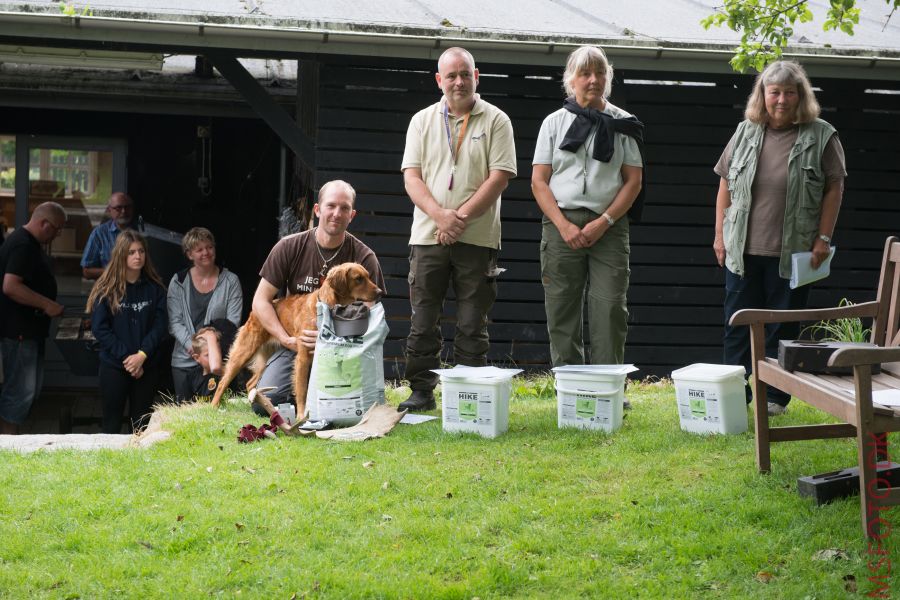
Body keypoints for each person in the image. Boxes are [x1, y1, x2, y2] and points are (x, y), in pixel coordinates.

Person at [713, 60, 846, 416]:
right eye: (775, 92)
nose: (782, 100)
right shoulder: (745, 131)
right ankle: (735, 398)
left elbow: (835, 187)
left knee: (783, 327)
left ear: (800, 96)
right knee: (737, 324)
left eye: (790, 93)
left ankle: (775, 399)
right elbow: (725, 181)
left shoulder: (822, 135)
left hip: (795, 250)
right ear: (763, 95)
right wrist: (719, 236)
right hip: (743, 247)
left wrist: (823, 236)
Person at [399, 47, 517, 412]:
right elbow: (412, 177)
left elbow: (500, 177)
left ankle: (468, 393)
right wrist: (441, 217)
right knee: (422, 320)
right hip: (427, 236)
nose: (458, 82)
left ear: (476, 76)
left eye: (465, 74)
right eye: (451, 75)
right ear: (439, 80)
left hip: (478, 238)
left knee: (471, 321)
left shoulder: (497, 120)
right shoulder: (421, 120)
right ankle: (421, 392)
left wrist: (458, 218)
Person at [531, 45, 644, 369]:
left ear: (608, 77)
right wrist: (563, 225)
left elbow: (633, 181)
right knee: (561, 307)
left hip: (608, 226)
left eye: (600, 73)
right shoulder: (553, 123)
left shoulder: (624, 124)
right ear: (571, 79)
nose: (593, 79)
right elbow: (539, 181)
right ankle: (571, 387)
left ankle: (608, 387)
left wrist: (604, 221)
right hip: (560, 225)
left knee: (609, 308)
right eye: (585, 73)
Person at [250, 179, 385, 412]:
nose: (336, 213)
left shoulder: (364, 257)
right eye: (330, 206)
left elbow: (371, 317)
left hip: (343, 351)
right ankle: (305, 395)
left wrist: (332, 338)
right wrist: (286, 339)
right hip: (297, 345)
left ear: (352, 215)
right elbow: (260, 301)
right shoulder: (289, 247)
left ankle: (318, 395)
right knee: (266, 406)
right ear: (317, 209)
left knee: (344, 405)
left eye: (344, 208)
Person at [87, 230, 168, 433]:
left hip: (146, 365)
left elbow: (160, 326)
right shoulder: (106, 288)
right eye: (131, 252)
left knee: (141, 424)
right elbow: (100, 328)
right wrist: (128, 358)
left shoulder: (155, 288)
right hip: (114, 366)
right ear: (121, 255)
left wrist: (141, 355)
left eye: (141, 251)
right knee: (111, 422)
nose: (137, 256)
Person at [0, 202, 67, 434]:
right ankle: (7, 447)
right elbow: (10, 286)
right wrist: (46, 304)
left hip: (30, 332)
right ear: (44, 224)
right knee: (19, 393)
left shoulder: (29, 243)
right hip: (20, 333)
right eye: (57, 229)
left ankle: (14, 442)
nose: (58, 234)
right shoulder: (22, 245)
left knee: (28, 392)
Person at [167, 227, 242, 402]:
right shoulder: (178, 281)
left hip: (217, 361)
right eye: (199, 249)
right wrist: (195, 347)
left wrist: (210, 350)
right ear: (189, 254)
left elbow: (232, 323)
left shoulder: (231, 281)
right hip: (184, 361)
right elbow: (175, 322)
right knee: (183, 414)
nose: (206, 252)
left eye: (209, 247)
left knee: (216, 412)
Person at [81, 192, 135, 280]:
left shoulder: (142, 231)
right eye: (118, 208)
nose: (124, 211)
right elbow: (87, 271)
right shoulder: (99, 233)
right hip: (109, 289)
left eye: (127, 207)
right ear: (109, 210)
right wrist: (115, 271)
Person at [188, 322, 237, 401]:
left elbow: (216, 368)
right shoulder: (191, 377)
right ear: (197, 358)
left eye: (216, 353)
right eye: (208, 355)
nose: (212, 358)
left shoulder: (226, 371)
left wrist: (211, 337)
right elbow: (184, 405)